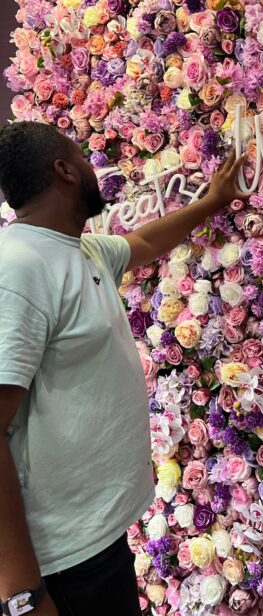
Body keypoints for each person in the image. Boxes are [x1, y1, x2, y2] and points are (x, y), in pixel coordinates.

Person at [0, 121, 247, 616]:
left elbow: (146, 243)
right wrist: (22, 594)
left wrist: (213, 202)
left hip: (93, 541)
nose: (95, 168)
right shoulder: (20, 268)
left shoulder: (76, 249)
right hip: (59, 566)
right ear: (65, 170)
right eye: (83, 156)